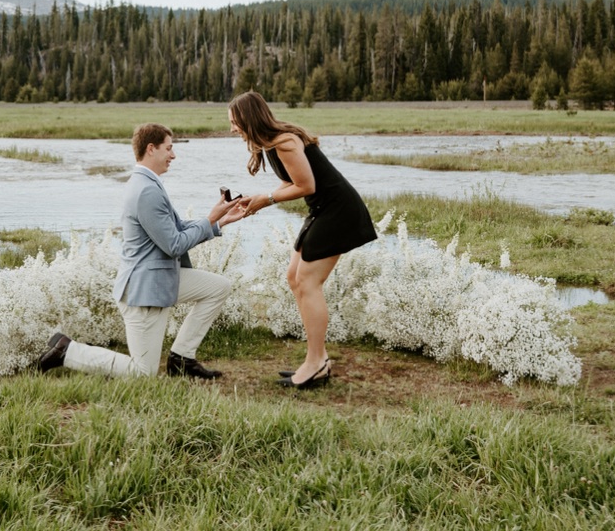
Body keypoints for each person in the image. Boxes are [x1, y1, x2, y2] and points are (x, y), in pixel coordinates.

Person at [37, 122, 247, 379]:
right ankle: (67, 351)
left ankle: (182, 359)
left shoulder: (147, 183)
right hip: (145, 289)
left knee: (218, 287)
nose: (173, 155)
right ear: (151, 149)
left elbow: (175, 228)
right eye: (168, 148)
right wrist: (210, 218)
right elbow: (174, 244)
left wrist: (219, 221)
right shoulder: (146, 190)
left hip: (160, 276)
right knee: (142, 372)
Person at [228, 91, 377, 389]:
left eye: (234, 122)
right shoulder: (271, 144)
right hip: (323, 209)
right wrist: (257, 199)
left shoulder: (284, 142)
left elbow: (306, 185)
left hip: (338, 210)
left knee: (308, 282)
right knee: (294, 277)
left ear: (249, 119)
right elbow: (291, 180)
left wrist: (267, 199)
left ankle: (315, 363)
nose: (232, 129)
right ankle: (318, 358)